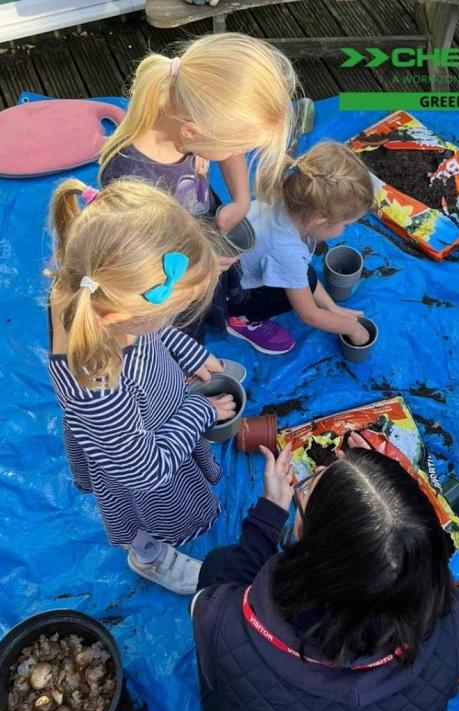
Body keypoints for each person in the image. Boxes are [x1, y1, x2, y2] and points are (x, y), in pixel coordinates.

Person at [191, 433, 459, 711]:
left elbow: (218, 602)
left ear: (308, 543)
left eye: (308, 493)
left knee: (218, 565)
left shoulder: (223, 621)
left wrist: (268, 516)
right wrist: (388, 502)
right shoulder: (457, 620)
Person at [47, 178, 236, 595]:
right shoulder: (99, 387)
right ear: (119, 315)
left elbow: (153, 328)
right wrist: (200, 411)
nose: (174, 317)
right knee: (140, 515)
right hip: (140, 467)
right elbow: (145, 471)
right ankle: (148, 554)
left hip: (158, 416)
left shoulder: (91, 289)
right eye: (172, 310)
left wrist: (188, 353)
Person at [98, 33, 297, 341]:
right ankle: (188, 370)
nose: (239, 150)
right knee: (186, 329)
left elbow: (228, 151)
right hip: (171, 276)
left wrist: (242, 200)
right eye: (238, 143)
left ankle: (232, 317)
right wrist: (196, 268)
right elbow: (140, 265)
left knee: (219, 291)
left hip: (200, 229)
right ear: (192, 133)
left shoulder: (183, 120)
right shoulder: (130, 181)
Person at [226, 141, 375, 355]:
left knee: (306, 276)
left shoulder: (286, 200)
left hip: (229, 270)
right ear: (319, 221)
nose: (344, 231)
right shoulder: (287, 251)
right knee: (295, 289)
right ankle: (239, 321)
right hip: (229, 295)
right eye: (345, 225)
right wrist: (351, 327)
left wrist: (333, 309)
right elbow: (309, 315)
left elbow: (304, 274)